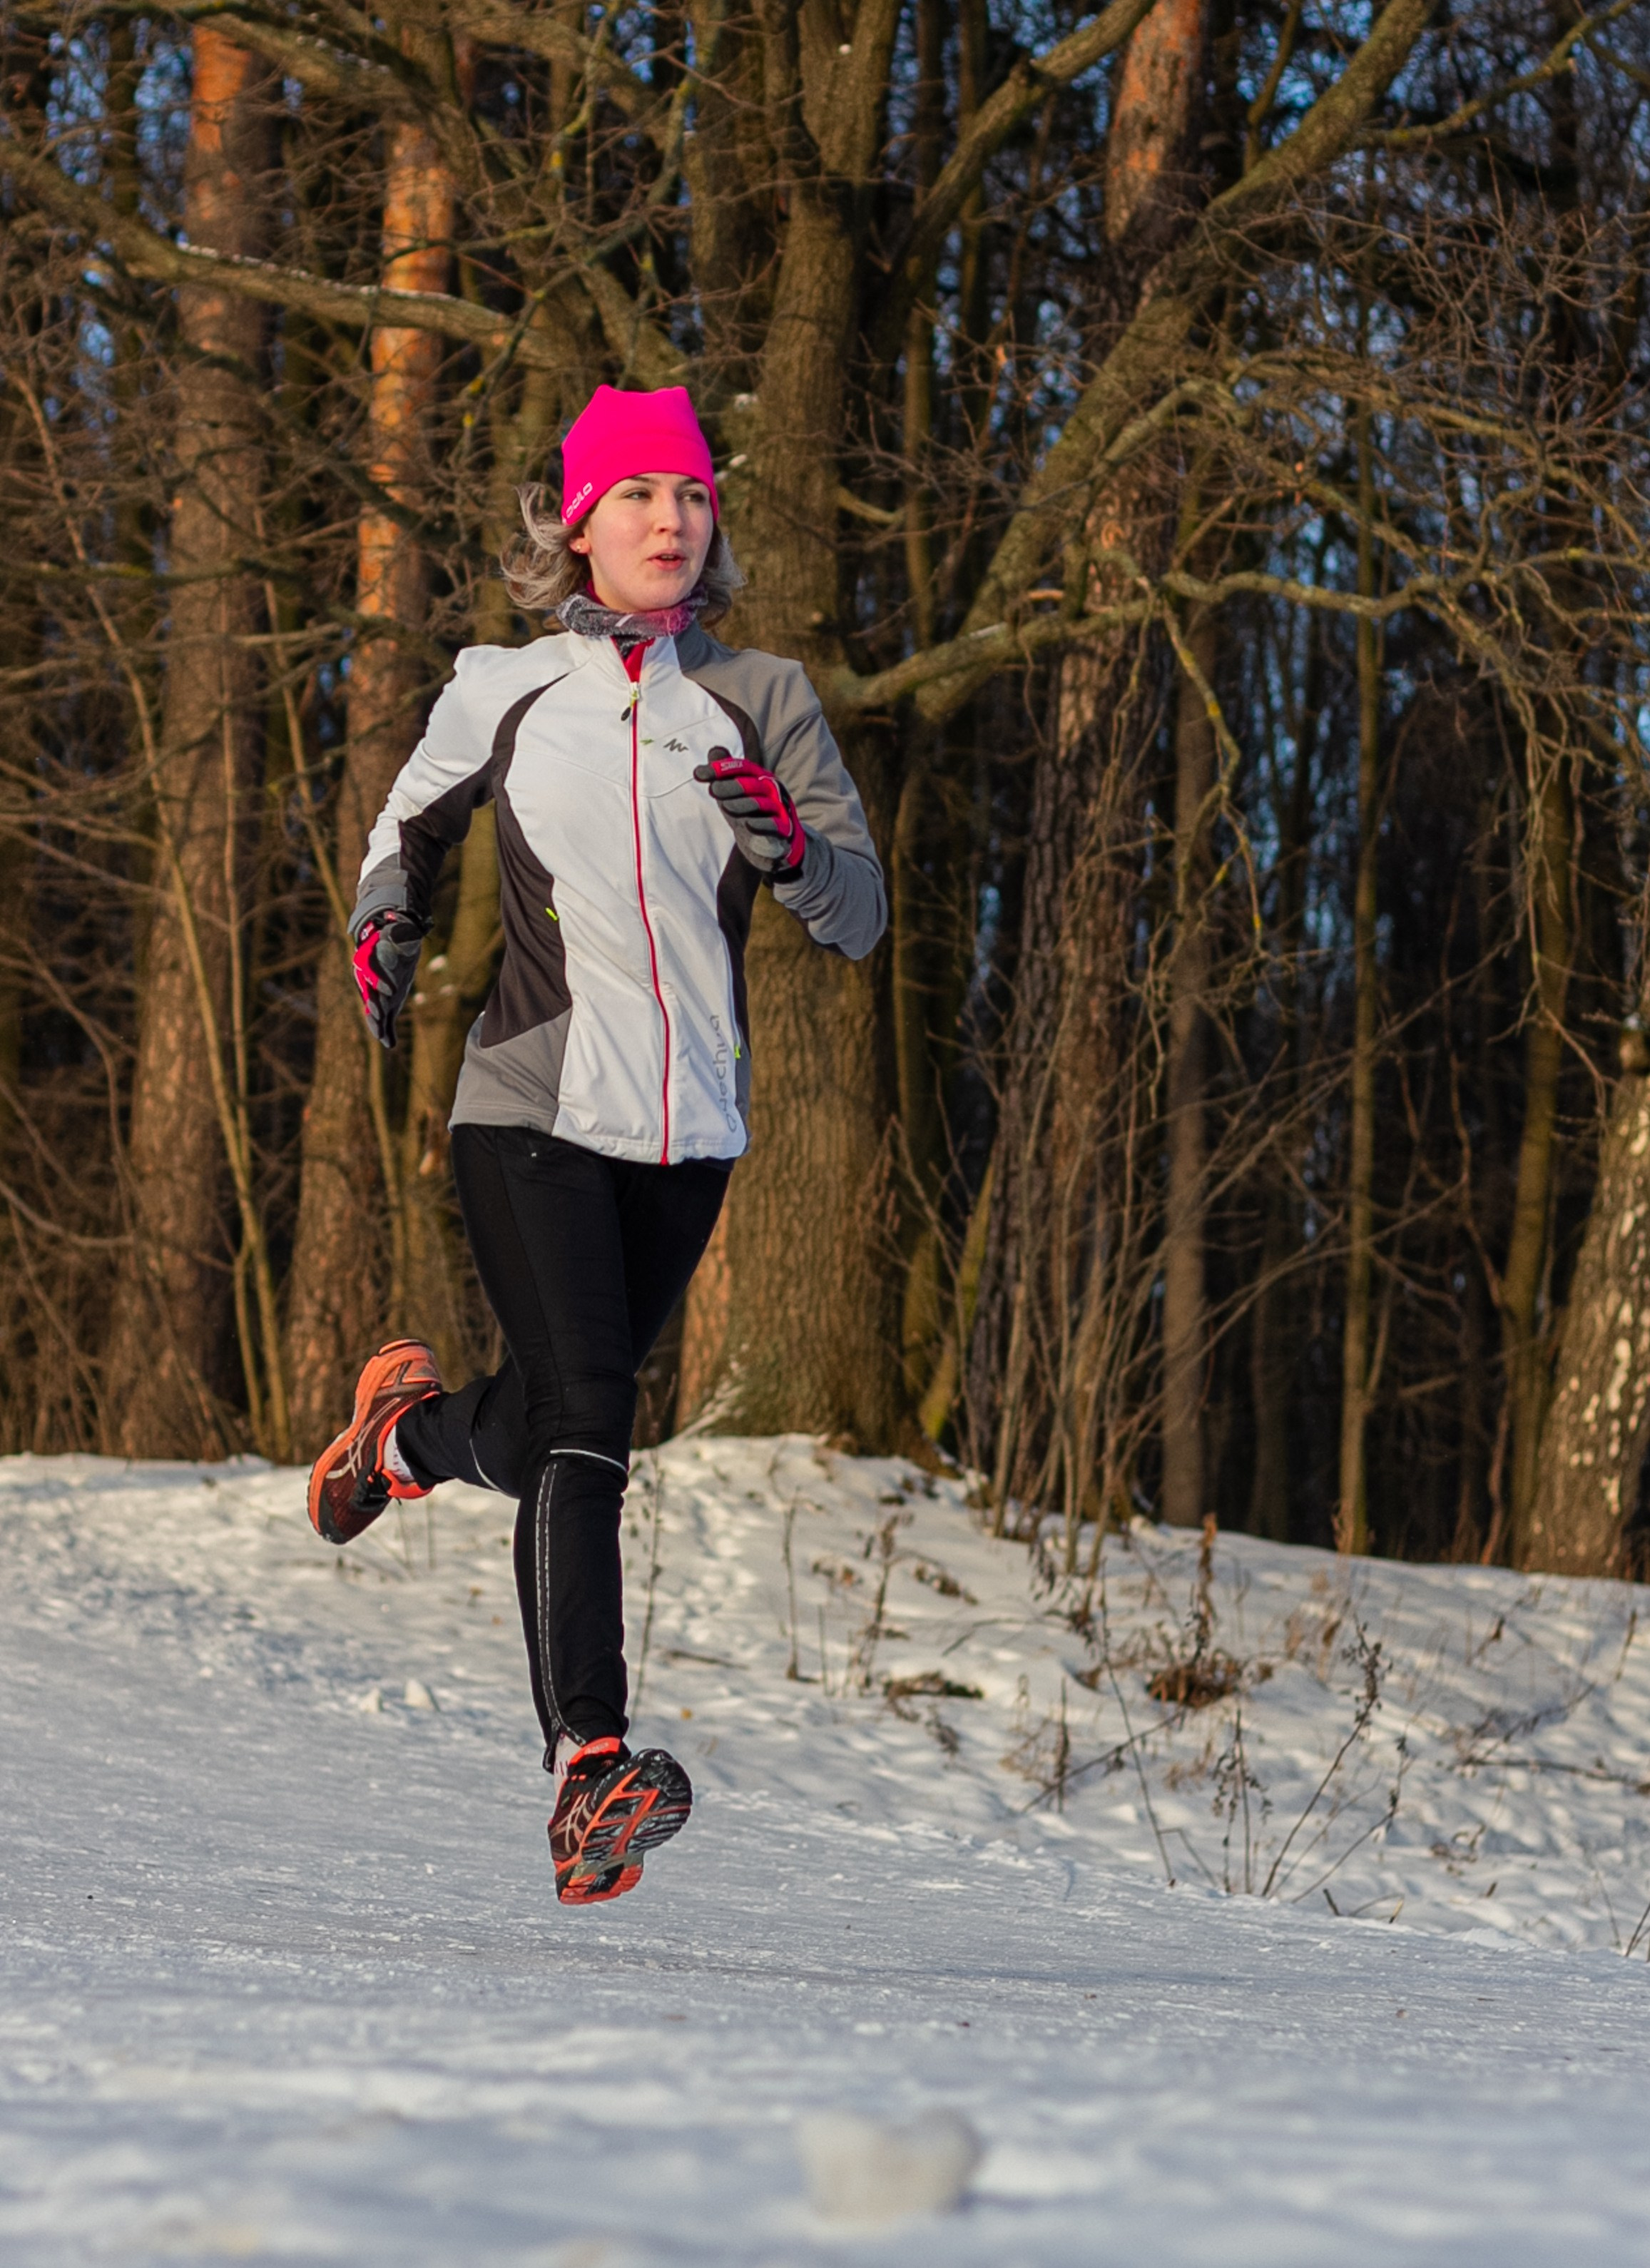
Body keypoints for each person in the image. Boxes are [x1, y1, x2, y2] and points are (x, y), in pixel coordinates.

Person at [305, 385, 886, 1906]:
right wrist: (380, 929)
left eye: (689, 497)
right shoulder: (502, 681)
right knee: (587, 1422)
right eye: (634, 496)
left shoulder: (766, 694)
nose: (667, 521)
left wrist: (792, 846)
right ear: (574, 523)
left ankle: (405, 1440)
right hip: (531, 1103)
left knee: (554, 1422)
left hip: (691, 1129)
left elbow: (858, 911)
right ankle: (589, 1766)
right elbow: (402, 834)